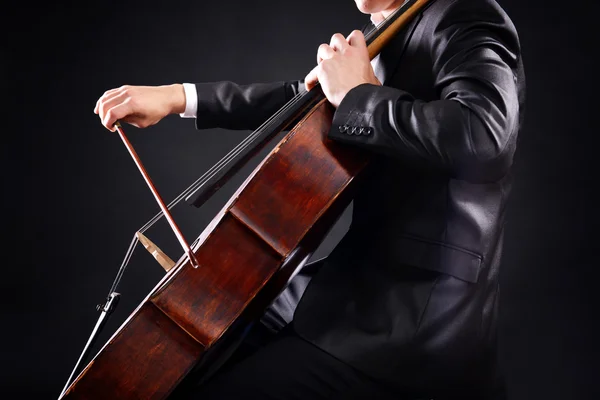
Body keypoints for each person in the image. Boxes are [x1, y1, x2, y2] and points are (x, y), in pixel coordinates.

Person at [95, 0, 525, 398]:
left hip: (409, 324)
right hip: (342, 289)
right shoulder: (399, 25)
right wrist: (178, 97)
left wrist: (357, 95)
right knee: (193, 359)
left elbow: (484, 138)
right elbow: (312, 104)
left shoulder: (465, 13)